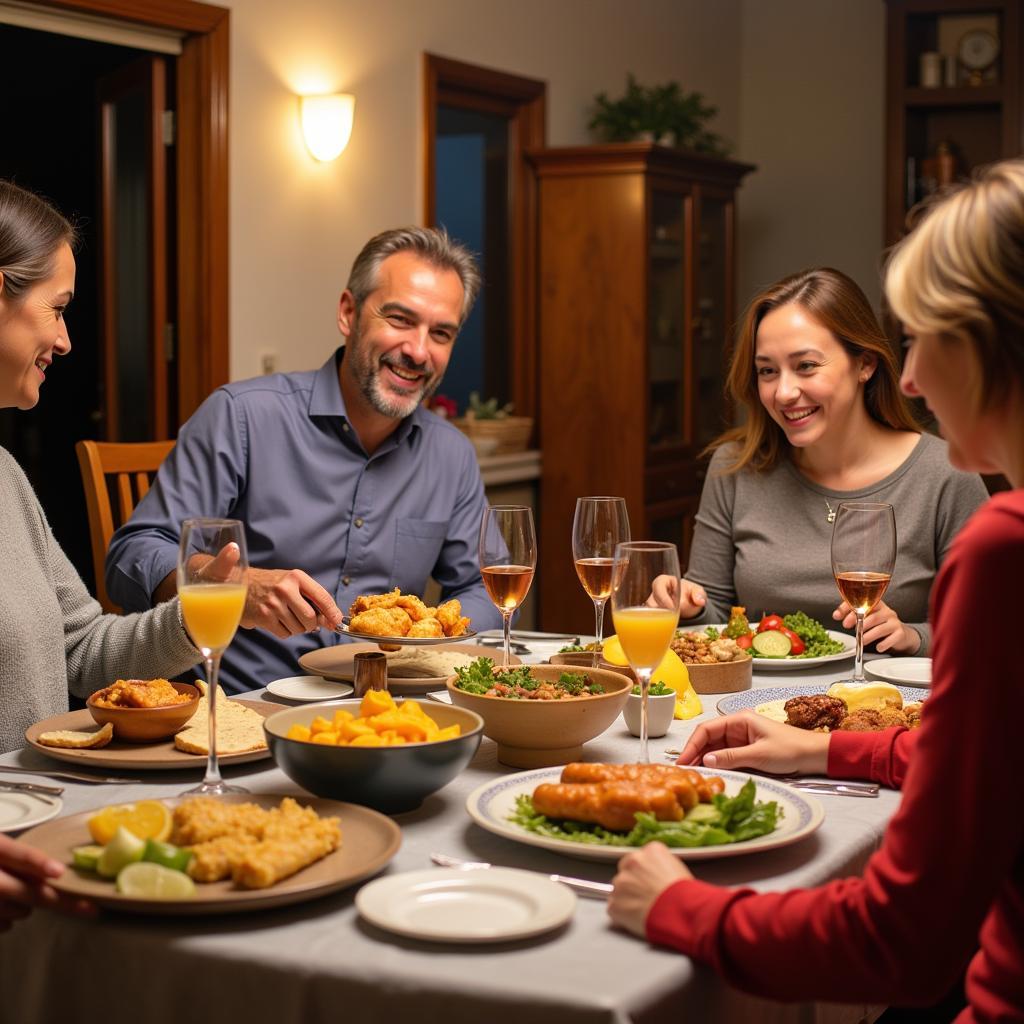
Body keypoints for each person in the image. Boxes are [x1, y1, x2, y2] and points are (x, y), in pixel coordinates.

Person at [608, 160, 1024, 1022]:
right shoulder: (739, 467)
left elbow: (901, 940)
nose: (911, 379)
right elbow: (989, 755)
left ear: (992, 344)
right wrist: (822, 750)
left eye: (925, 339)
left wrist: (685, 907)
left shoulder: (1000, 546)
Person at [106, 227, 502, 693]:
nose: (418, 350)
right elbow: (132, 555)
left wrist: (428, 630)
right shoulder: (242, 417)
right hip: (242, 707)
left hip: (382, 709)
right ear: (348, 313)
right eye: (399, 319)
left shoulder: (449, 454)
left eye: (440, 333)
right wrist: (232, 586)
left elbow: (487, 589)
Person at [0, 180, 202, 924]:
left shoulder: (5, 476)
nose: (65, 341)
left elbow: (82, 650)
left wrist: (196, 616)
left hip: (49, 830)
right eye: (56, 308)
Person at [653, 267, 987, 656]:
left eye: (806, 366)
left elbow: (991, 628)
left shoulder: (944, 474)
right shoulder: (735, 466)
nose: (784, 392)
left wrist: (915, 637)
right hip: (756, 705)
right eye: (767, 371)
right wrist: (687, 606)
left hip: (893, 706)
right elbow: (715, 615)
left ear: (865, 364)